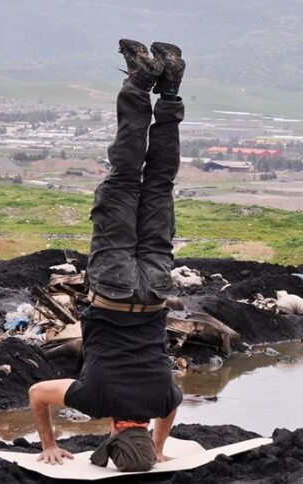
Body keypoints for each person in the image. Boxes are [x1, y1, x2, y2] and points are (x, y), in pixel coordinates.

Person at [28, 39, 186, 472]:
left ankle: (170, 89)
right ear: (115, 432)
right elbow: (38, 394)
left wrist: (156, 449)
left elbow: (173, 405)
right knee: (123, 177)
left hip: (155, 289)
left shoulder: (163, 399)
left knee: (157, 183)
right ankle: (139, 82)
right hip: (113, 287)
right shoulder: (94, 401)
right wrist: (49, 446)